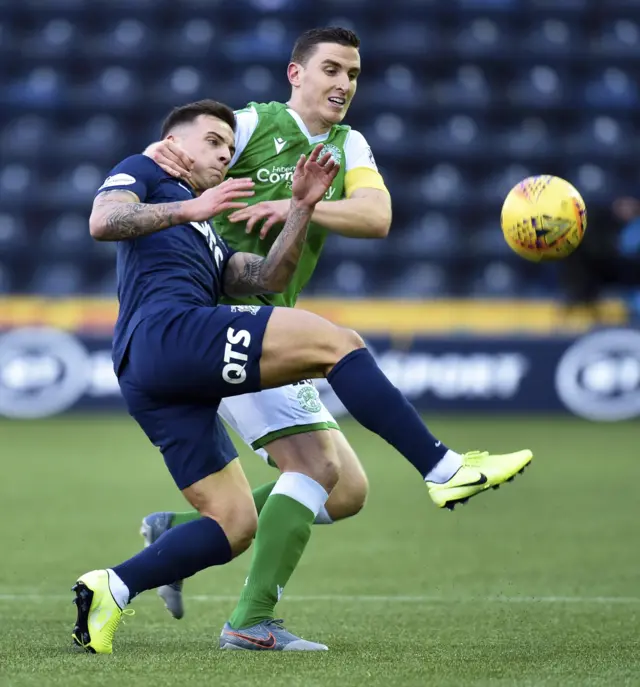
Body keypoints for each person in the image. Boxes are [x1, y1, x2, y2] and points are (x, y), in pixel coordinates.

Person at [72, 98, 532, 655]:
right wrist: (190, 209)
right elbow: (103, 220)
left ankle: (111, 588)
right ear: (174, 144)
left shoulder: (212, 235)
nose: (224, 154)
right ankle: (441, 468)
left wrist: (301, 207)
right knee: (336, 343)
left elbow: (265, 274)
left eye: (227, 145)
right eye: (212, 143)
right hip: (166, 334)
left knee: (234, 523)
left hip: (159, 373)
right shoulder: (147, 171)